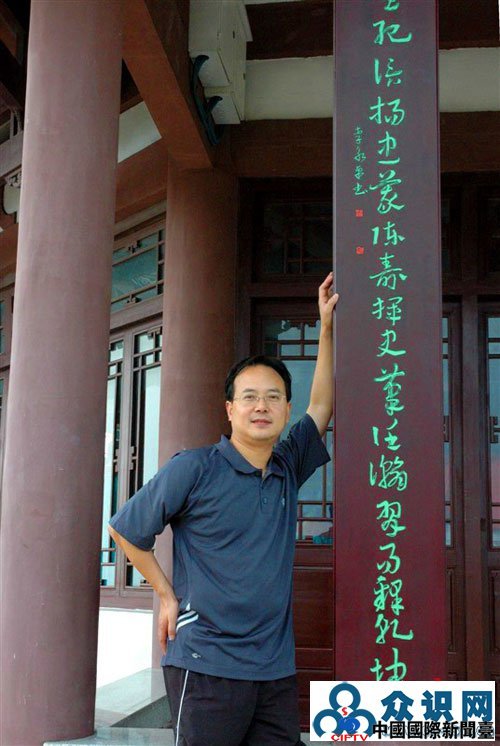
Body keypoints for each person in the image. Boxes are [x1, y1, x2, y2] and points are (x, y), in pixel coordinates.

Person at [108, 273, 339, 746]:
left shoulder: (287, 466)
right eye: (249, 397)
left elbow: (320, 406)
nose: (262, 406)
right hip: (206, 664)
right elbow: (127, 529)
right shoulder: (195, 468)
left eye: (273, 397)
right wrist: (166, 595)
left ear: (285, 410)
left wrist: (326, 328)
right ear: (230, 409)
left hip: (273, 668)